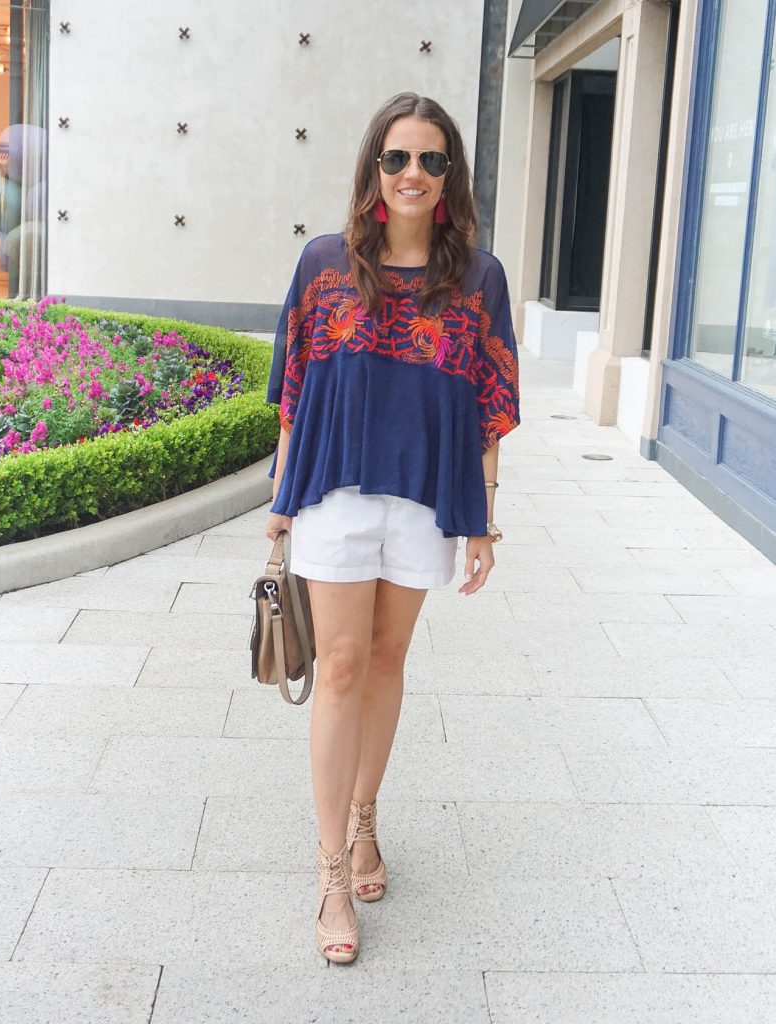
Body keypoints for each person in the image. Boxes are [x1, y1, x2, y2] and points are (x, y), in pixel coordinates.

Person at [265, 91, 520, 964]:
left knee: (384, 662)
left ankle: (368, 818)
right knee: (338, 667)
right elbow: (294, 389)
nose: (413, 174)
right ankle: (333, 869)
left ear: (449, 178)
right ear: (373, 170)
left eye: (432, 161)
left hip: (423, 498)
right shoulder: (324, 264)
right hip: (334, 494)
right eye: (398, 158)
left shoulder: (477, 277)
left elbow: (488, 404)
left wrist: (483, 518)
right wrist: (278, 500)